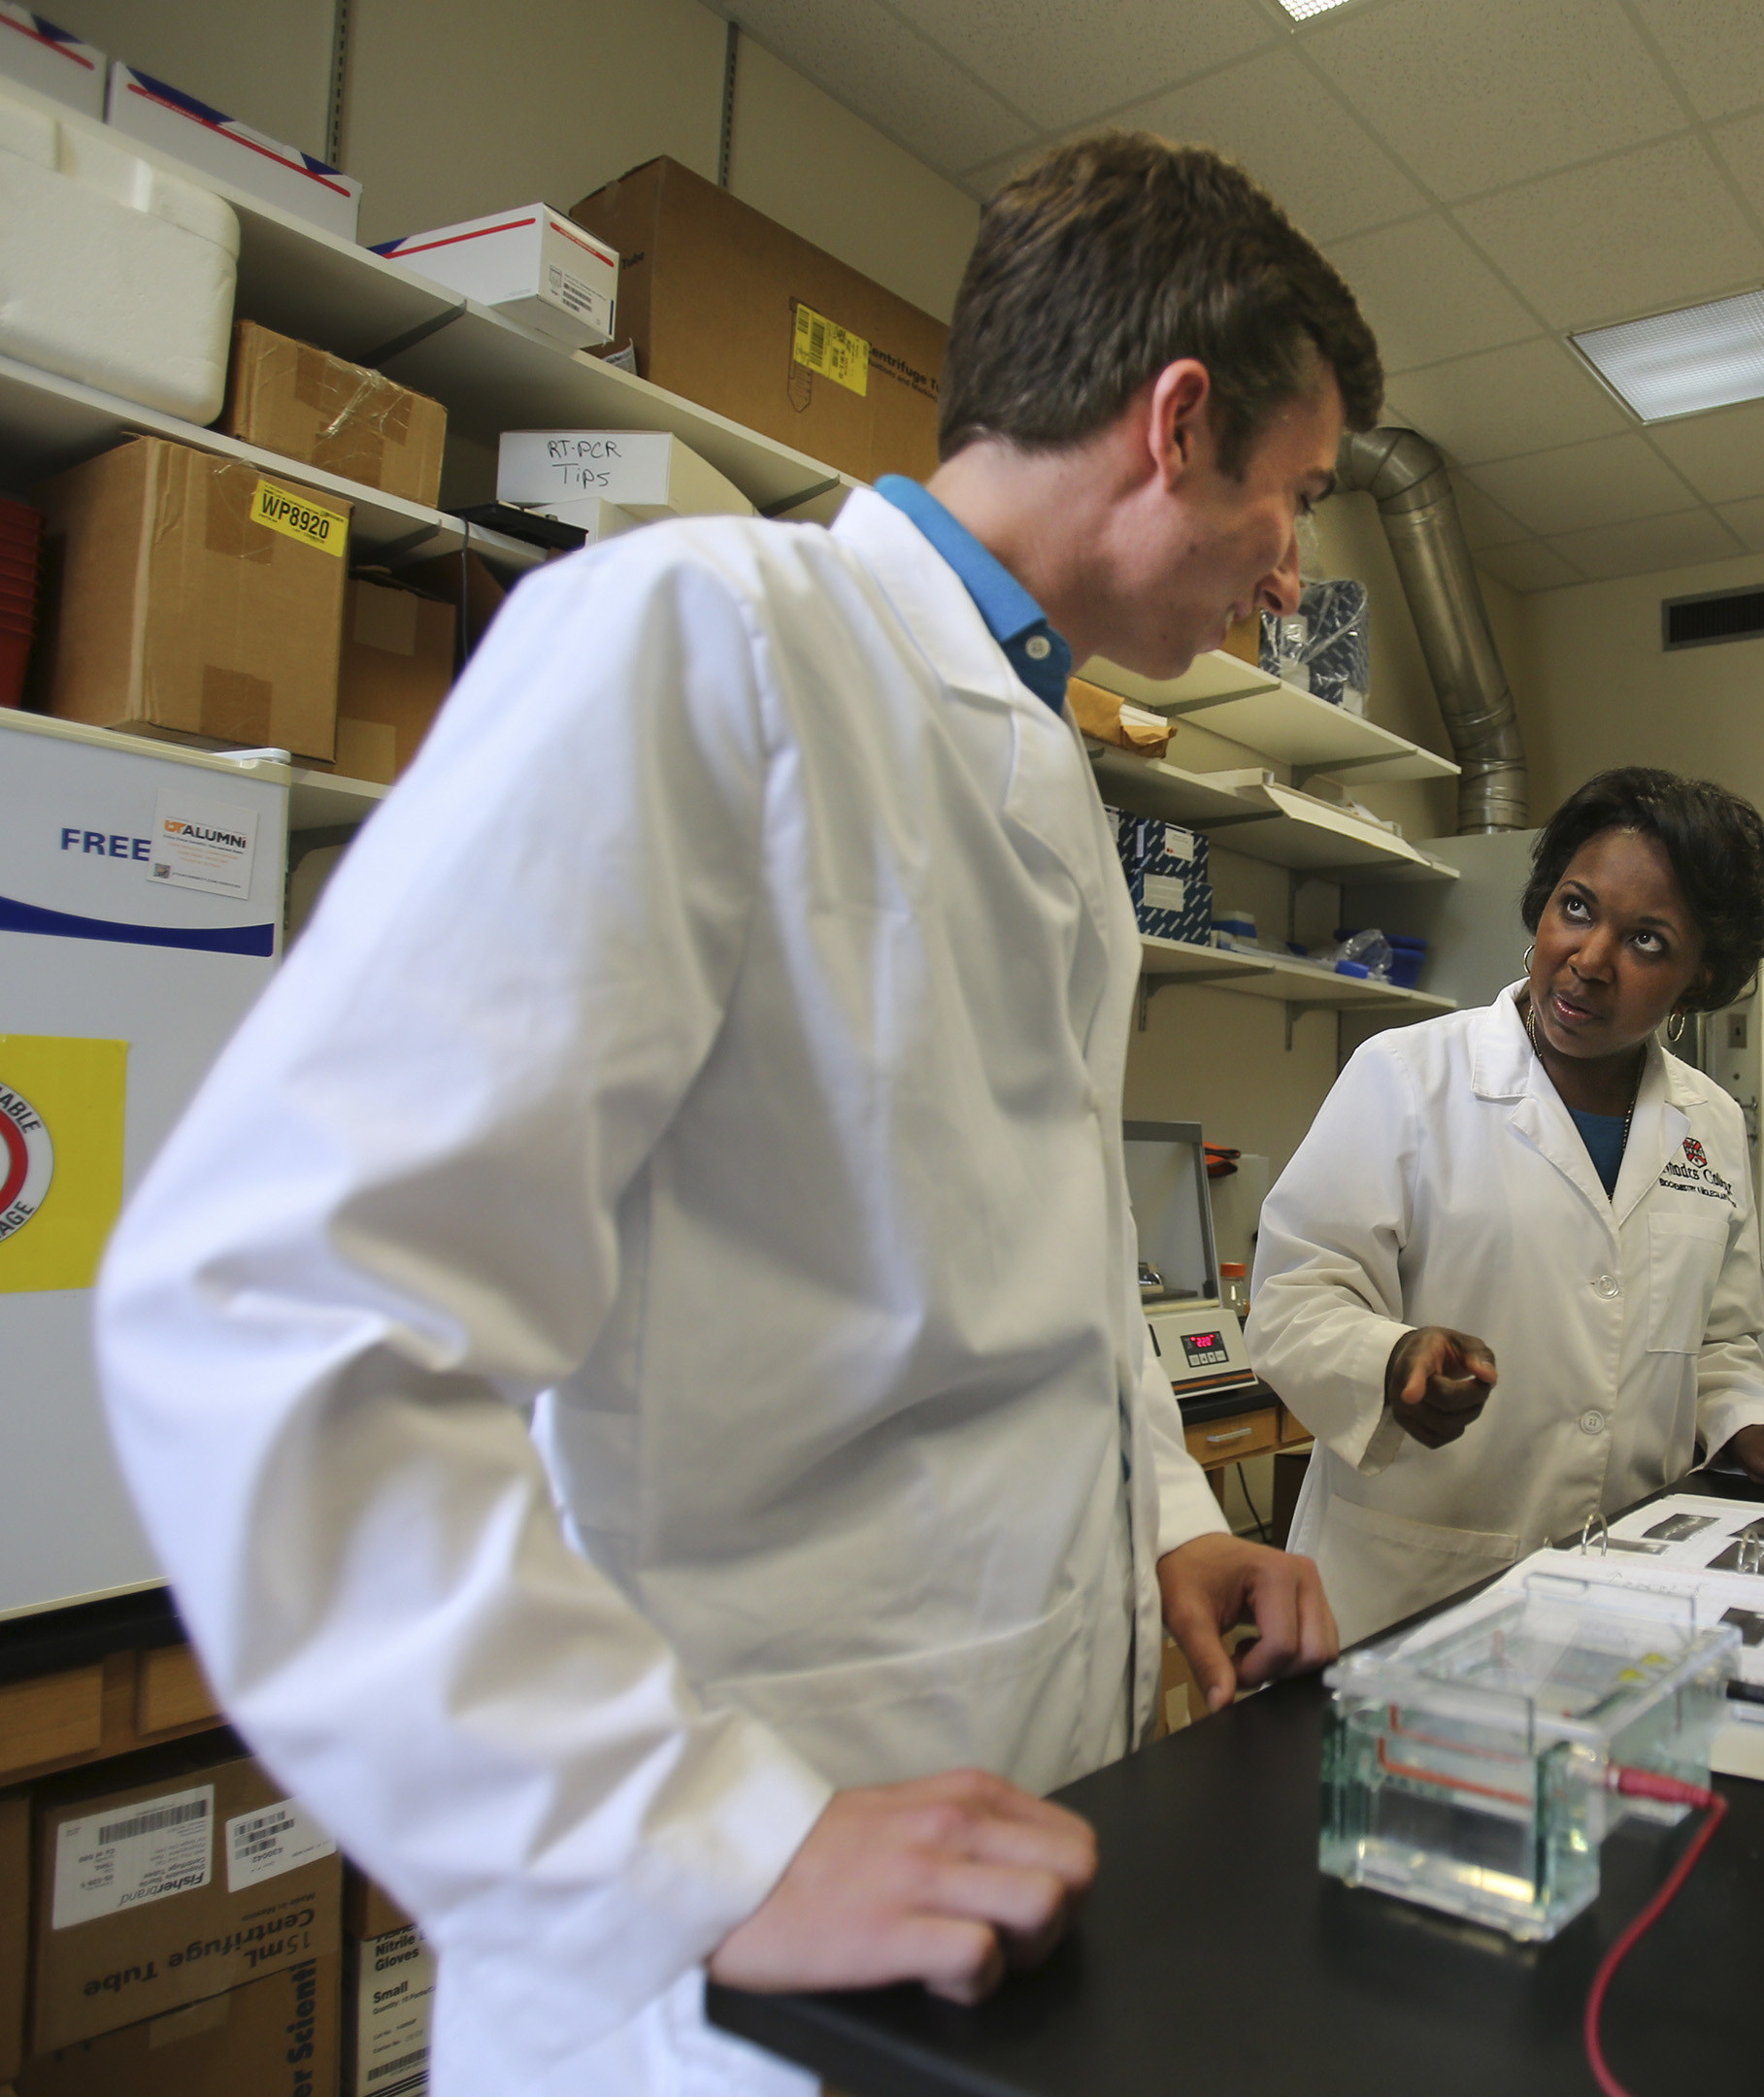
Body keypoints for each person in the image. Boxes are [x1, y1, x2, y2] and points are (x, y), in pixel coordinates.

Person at [90, 133, 1370, 2097]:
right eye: (1292, 500)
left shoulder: (1038, 774)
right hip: (745, 1892)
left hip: (1012, 1820)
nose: (1289, 572)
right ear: (1175, 422)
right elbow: (279, 1304)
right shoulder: (706, 639)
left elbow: (1022, 1269)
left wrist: (1169, 1530)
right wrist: (697, 1844)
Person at [1248, 769, 1764, 1641]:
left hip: (1631, 1586)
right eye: (1576, 908)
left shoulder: (1708, 1124)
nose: (1591, 960)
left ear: (1699, 975)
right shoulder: (1406, 1077)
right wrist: (1392, 1357)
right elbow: (1296, 1296)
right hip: (1415, 1594)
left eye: (1646, 940)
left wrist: (1750, 1429)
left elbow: (1715, 1342)